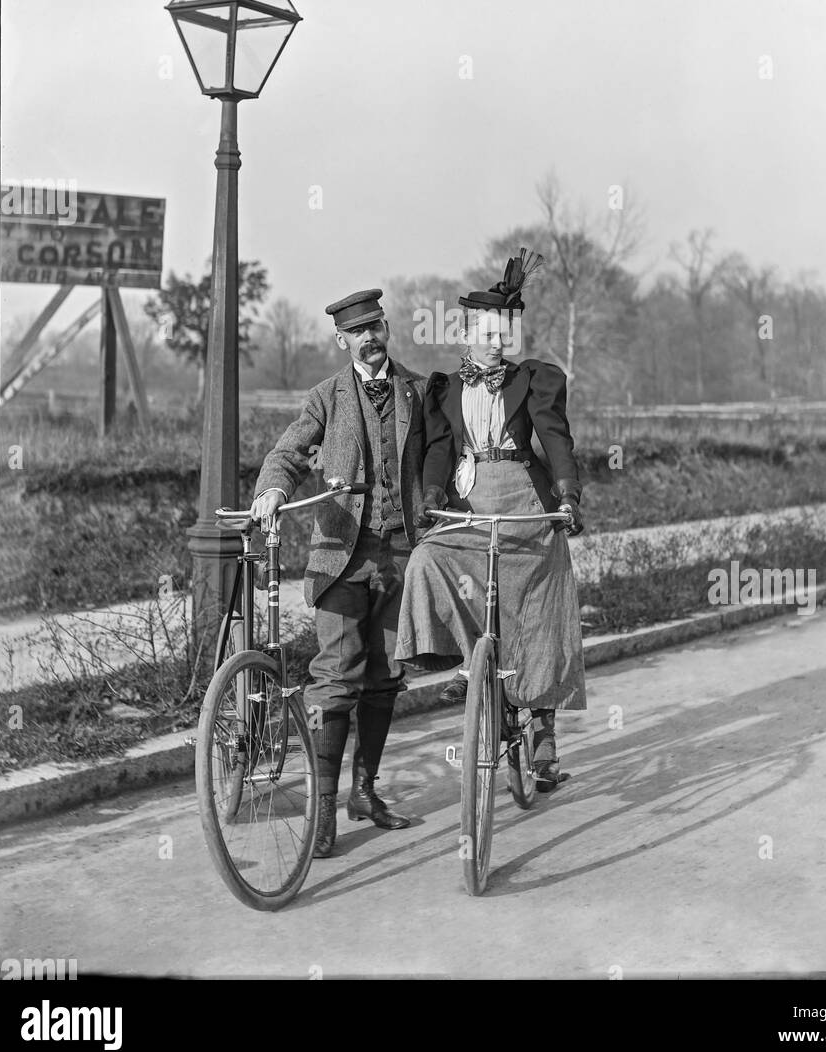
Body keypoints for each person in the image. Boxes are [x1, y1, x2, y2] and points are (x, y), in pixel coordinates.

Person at [393, 251, 586, 792]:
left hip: (525, 497)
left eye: (505, 333)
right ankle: (468, 665)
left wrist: (567, 492)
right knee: (429, 559)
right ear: (467, 335)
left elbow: (554, 438)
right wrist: (433, 490)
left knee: (540, 599)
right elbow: (437, 450)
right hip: (469, 502)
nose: (497, 343)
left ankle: (543, 726)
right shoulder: (445, 389)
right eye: (487, 333)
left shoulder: (535, 381)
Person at [251, 288, 427, 857]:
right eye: (358, 332)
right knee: (336, 677)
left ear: (387, 328)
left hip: (402, 554)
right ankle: (322, 812)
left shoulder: (418, 391)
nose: (370, 338)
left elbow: (448, 456)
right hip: (341, 556)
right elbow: (288, 454)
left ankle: (364, 793)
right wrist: (274, 490)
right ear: (341, 340)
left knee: (385, 675)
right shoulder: (326, 397)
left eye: (376, 327)